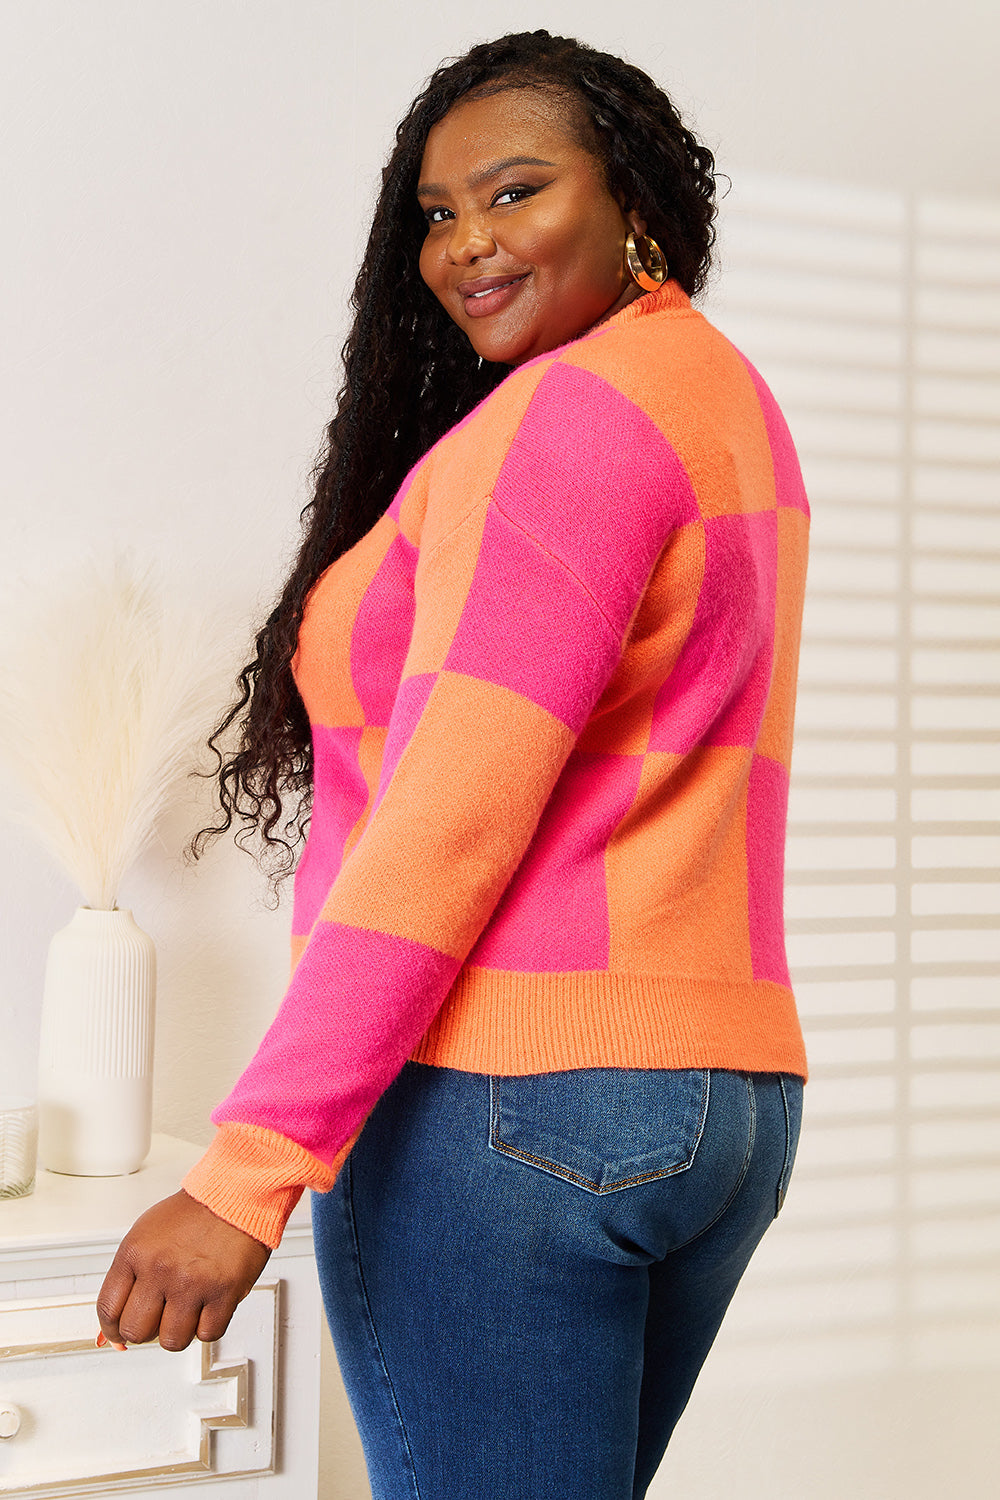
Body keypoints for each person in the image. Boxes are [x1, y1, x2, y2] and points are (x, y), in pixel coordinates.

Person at [97, 30, 809, 1500]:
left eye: (515, 191)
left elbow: (448, 824)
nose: (467, 243)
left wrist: (242, 1176)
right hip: (718, 1098)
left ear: (634, 200)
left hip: (510, 1103)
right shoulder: (726, 400)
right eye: (436, 213)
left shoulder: (566, 421)